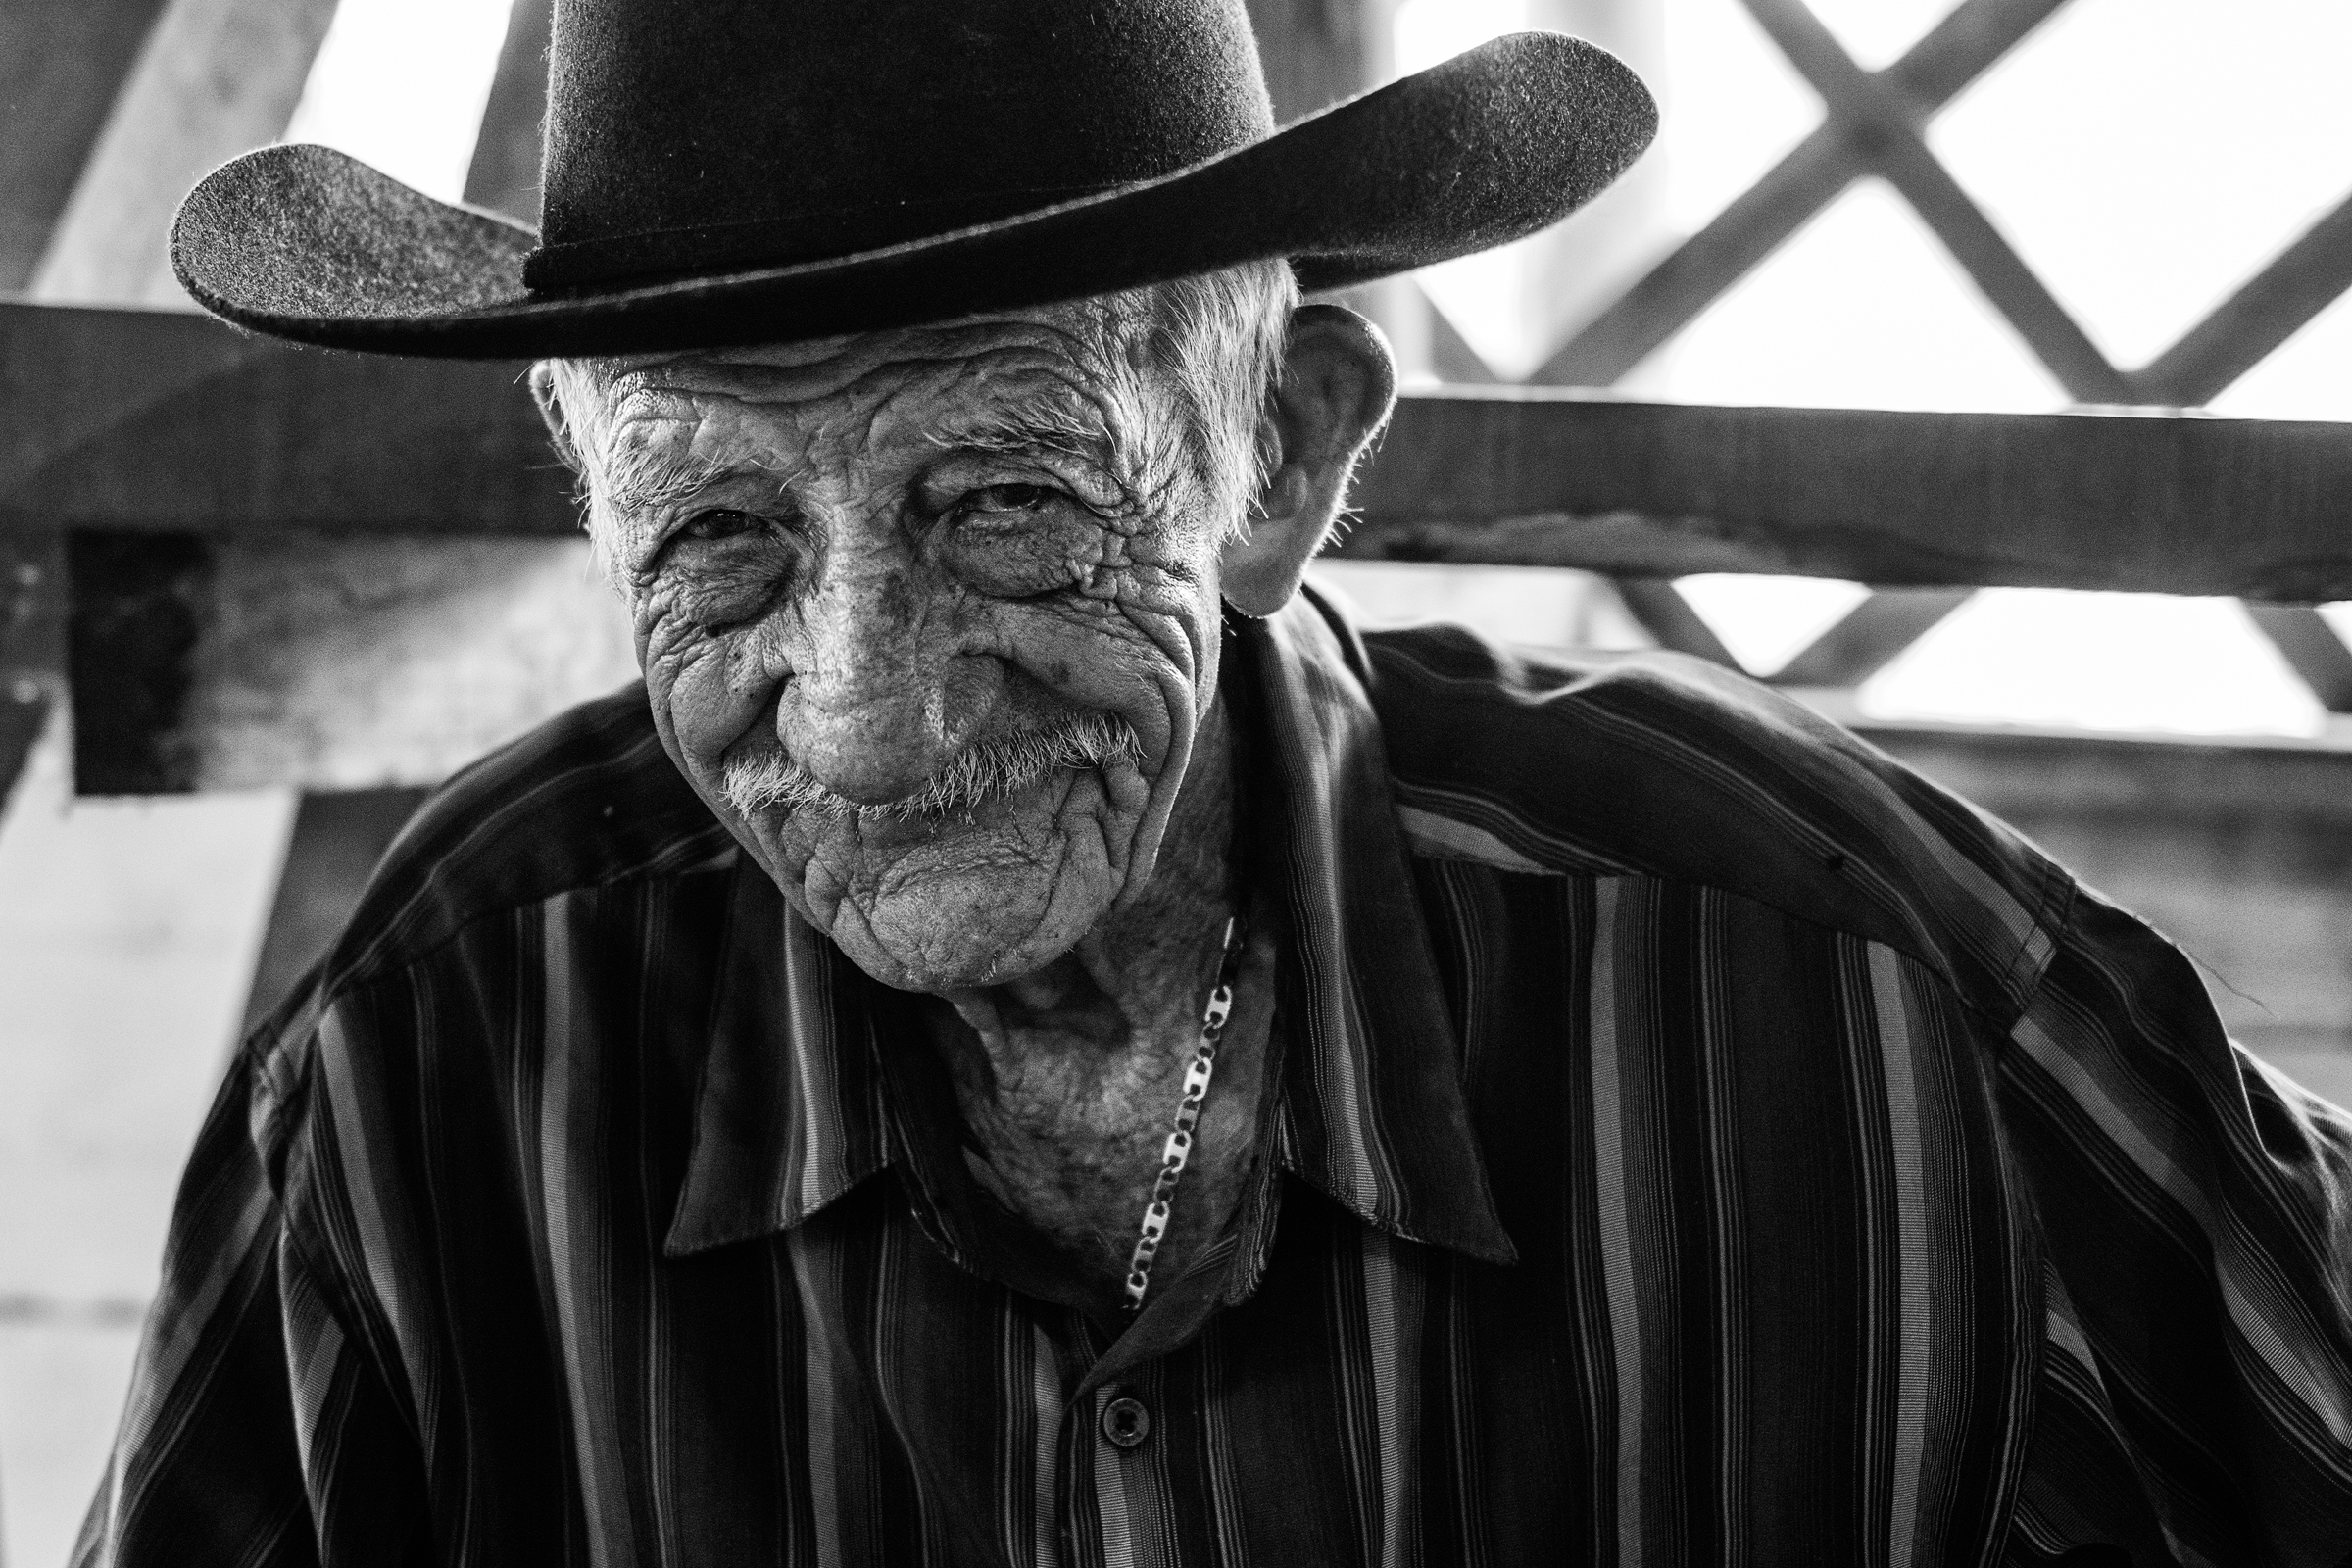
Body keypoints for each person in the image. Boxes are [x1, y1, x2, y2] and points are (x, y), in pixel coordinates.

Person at [79, 1, 2352, 1562]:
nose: (858, 706)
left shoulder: (1858, 1001)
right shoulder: (427, 1064)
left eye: (1003, 506)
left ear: (1277, 455)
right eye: (722, 543)